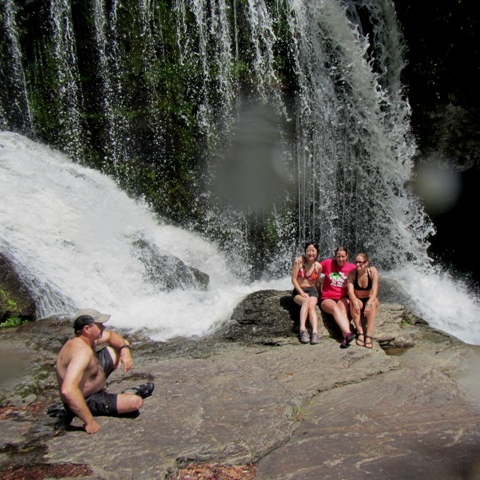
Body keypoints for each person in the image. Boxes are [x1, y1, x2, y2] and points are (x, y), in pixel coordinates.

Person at [55, 308, 154, 434]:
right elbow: (68, 390)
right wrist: (89, 422)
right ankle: (129, 393)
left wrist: (124, 350)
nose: (103, 326)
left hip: (92, 376)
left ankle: (77, 408)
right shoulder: (81, 353)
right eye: (99, 325)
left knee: (120, 345)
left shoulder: (87, 340)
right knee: (135, 402)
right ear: (87, 329)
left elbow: (112, 335)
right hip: (88, 398)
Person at [318, 247, 357, 348]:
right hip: (327, 298)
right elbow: (314, 266)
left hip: (343, 297)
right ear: (335, 256)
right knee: (335, 308)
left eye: (343, 256)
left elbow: (363, 271)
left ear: (347, 256)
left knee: (343, 311)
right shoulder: (328, 263)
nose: (340, 259)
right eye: (338, 256)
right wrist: (302, 259)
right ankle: (348, 333)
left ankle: (346, 338)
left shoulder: (352, 268)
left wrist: (372, 270)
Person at [291, 242, 322, 344]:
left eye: (313, 251)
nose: (311, 253)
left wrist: (320, 293)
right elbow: (294, 280)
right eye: (308, 250)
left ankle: (314, 333)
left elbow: (317, 281)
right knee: (305, 302)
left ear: (317, 253)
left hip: (312, 291)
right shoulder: (299, 263)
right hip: (299, 291)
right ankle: (302, 330)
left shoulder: (318, 266)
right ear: (305, 252)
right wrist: (301, 292)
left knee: (311, 306)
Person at [347, 253, 379, 349]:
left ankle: (368, 335)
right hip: (358, 299)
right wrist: (355, 302)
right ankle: (360, 332)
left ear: (366, 263)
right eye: (356, 262)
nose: (357, 265)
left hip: (370, 298)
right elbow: (351, 292)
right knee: (353, 302)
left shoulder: (372, 273)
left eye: (360, 262)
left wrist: (368, 304)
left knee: (372, 304)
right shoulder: (352, 274)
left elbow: (374, 292)